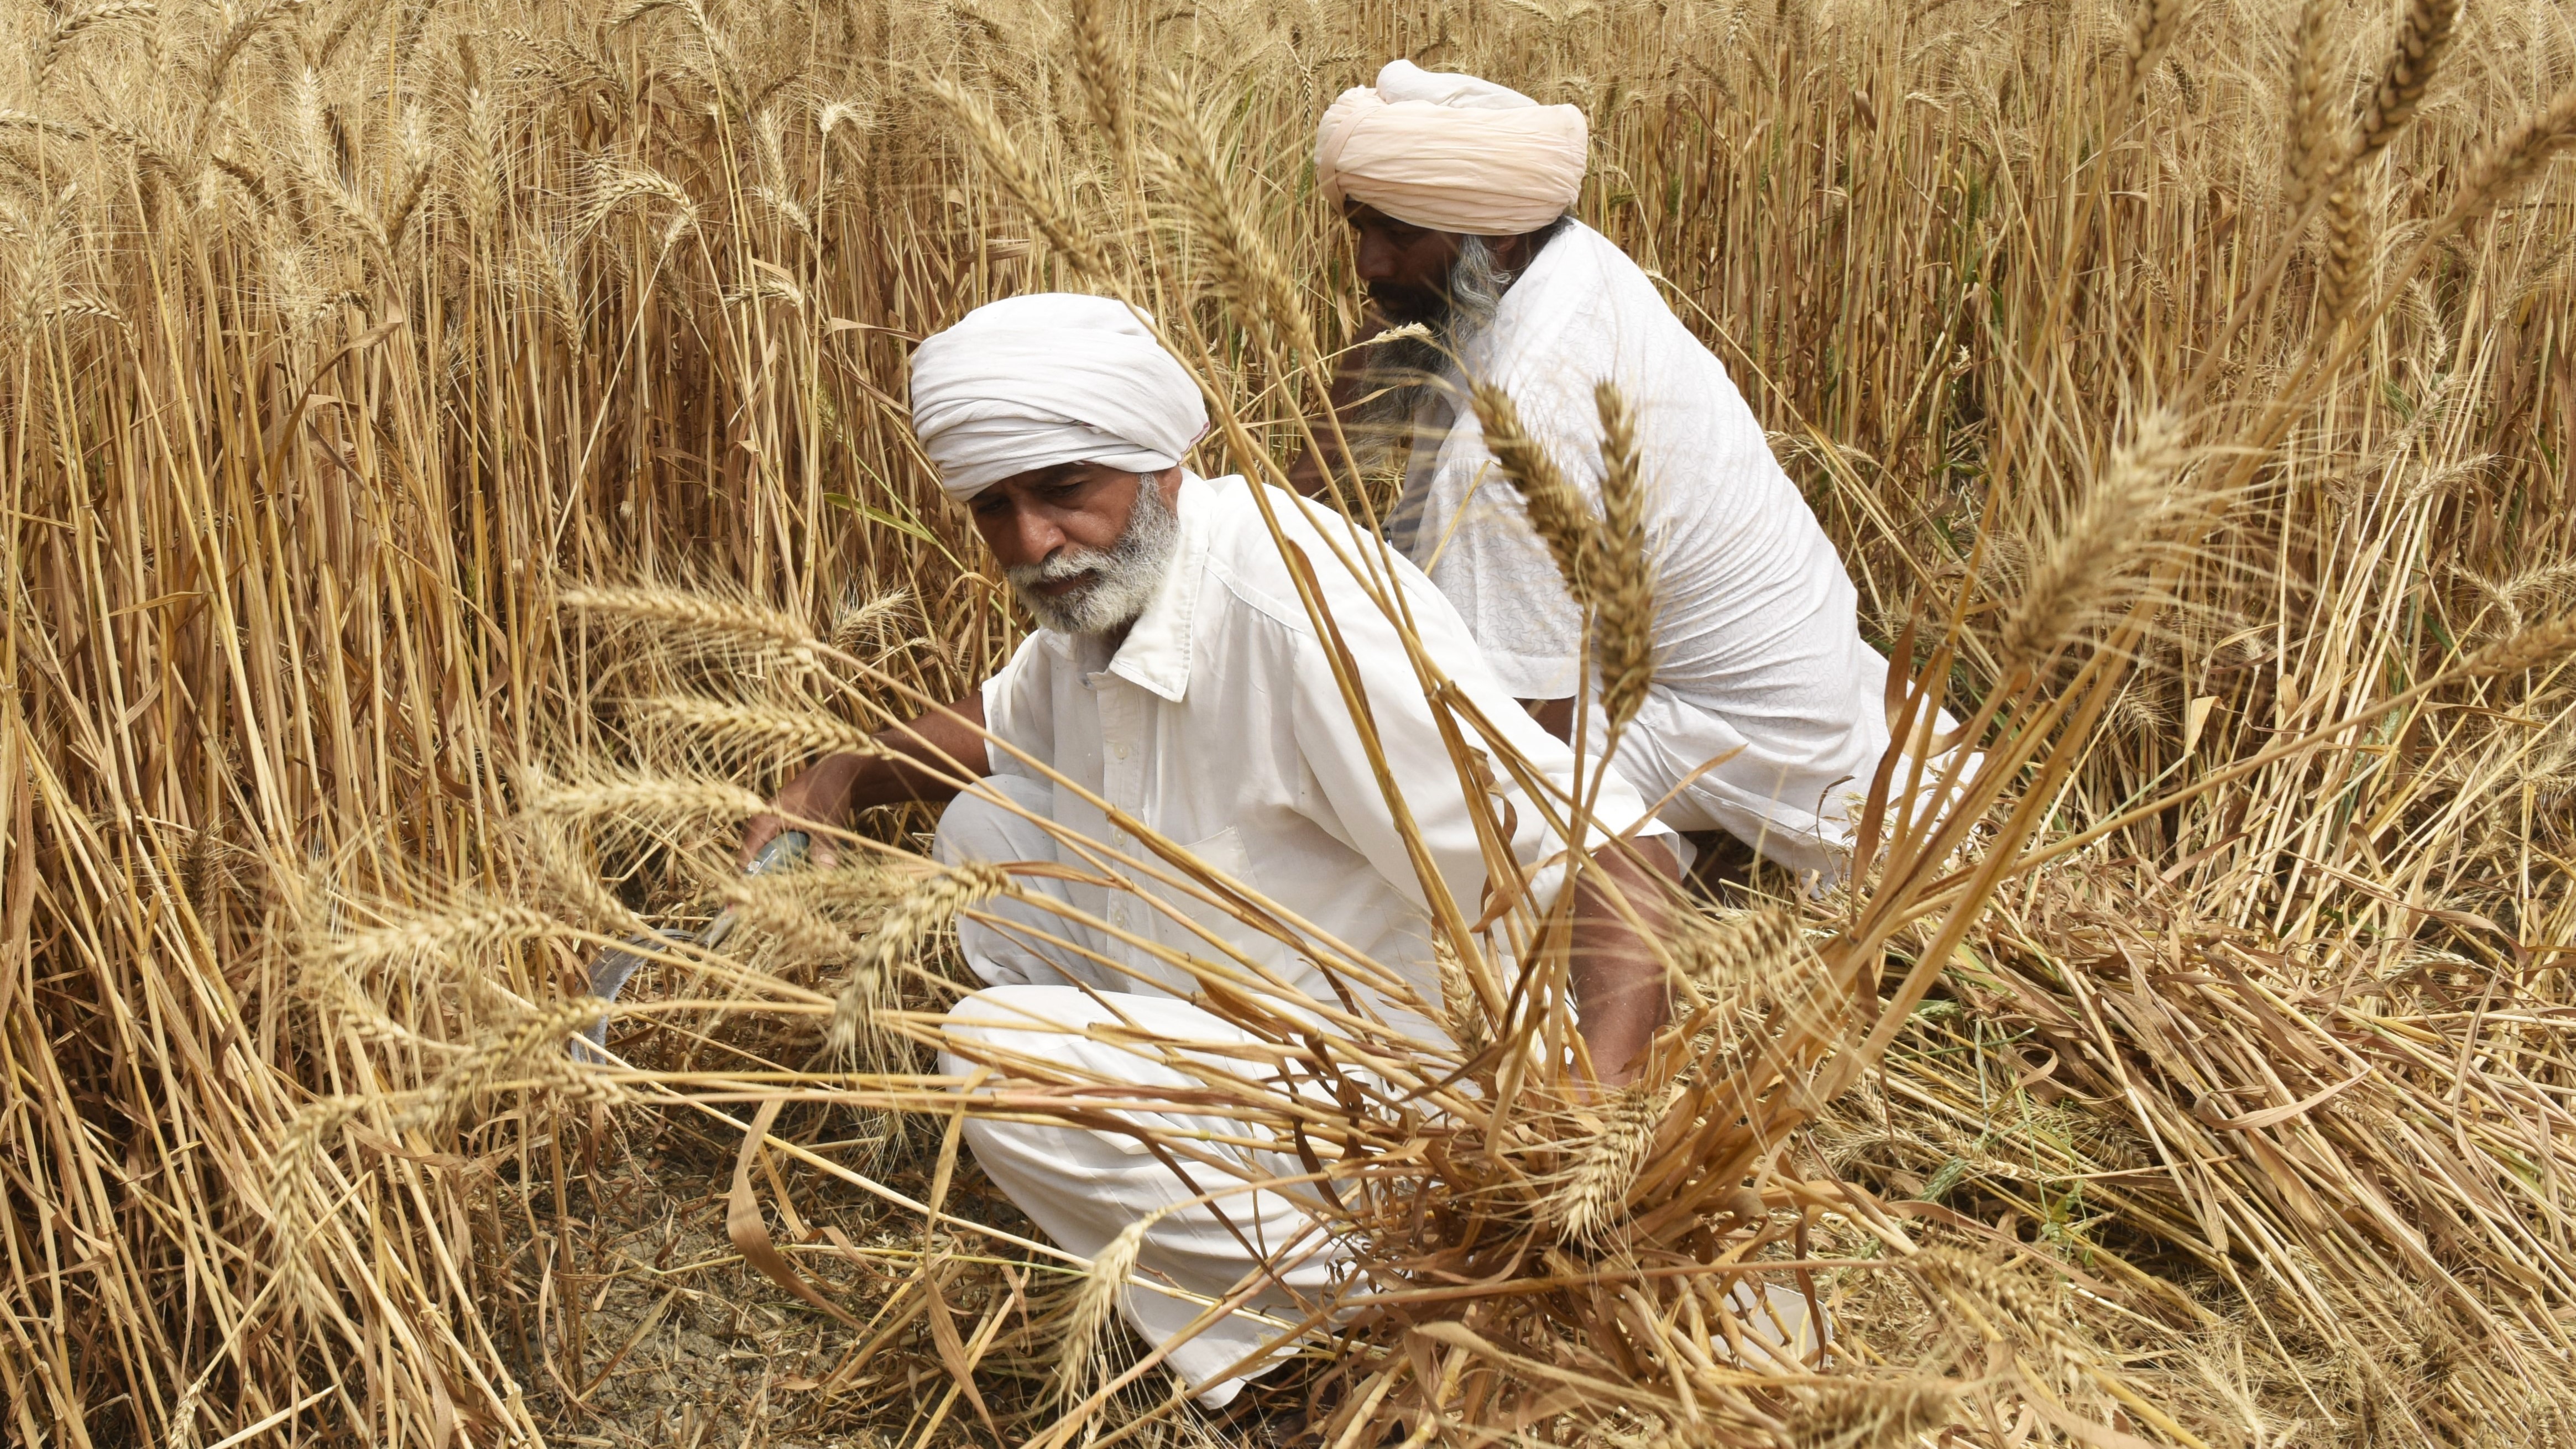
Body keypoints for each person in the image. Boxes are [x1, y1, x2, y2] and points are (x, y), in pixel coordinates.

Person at [740, 294, 1681, 1406]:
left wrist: (1579, 1129)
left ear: (1156, 465)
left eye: (1061, 492)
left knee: (994, 1056)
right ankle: (1192, 1213)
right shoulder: (1109, 592)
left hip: (1412, 1094)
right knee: (983, 837)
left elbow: (1614, 846)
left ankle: (1353, 1315)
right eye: (994, 508)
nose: (1032, 544)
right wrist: (839, 776)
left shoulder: (1294, 616)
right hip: (1254, 1011)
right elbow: (1003, 725)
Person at [1295, 60, 1951, 885]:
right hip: (1800, 669)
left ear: (1492, 235)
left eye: (1396, 235)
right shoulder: (1557, 260)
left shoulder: (1518, 436)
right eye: (1360, 229)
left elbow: (1525, 730)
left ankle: (1657, 870)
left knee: (1398, 750)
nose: (1368, 264)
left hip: (1758, 744)